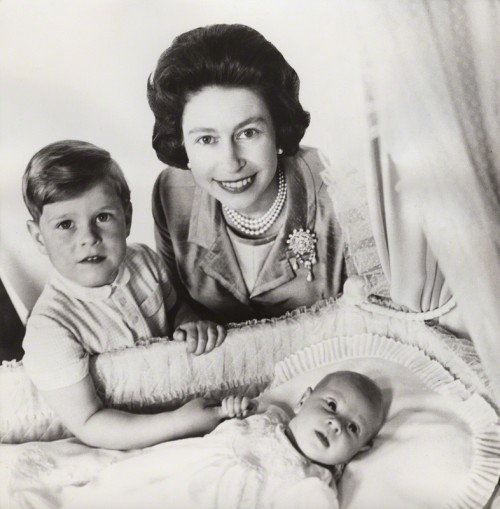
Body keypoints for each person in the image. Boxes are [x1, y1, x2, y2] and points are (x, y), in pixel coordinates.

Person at [21, 140, 227, 450]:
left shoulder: (144, 261)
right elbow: (89, 423)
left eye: (102, 217)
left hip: (185, 406)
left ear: (127, 217)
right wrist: (178, 422)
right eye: (66, 225)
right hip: (120, 444)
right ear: (39, 237)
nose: (88, 238)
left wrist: (190, 320)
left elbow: (176, 309)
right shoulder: (50, 328)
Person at [148, 24, 346, 323]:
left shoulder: (337, 186)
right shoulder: (171, 194)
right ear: (182, 143)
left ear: (278, 129)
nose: (230, 162)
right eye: (206, 139)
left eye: (248, 133)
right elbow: (176, 308)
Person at [59, 370, 384, 509]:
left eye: (353, 428)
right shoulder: (271, 415)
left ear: (360, 450)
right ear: (303, 400)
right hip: (177, 472)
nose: (335, 424)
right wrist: (233, 409)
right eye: (331, 405)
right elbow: (224, 420)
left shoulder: (314, 483)